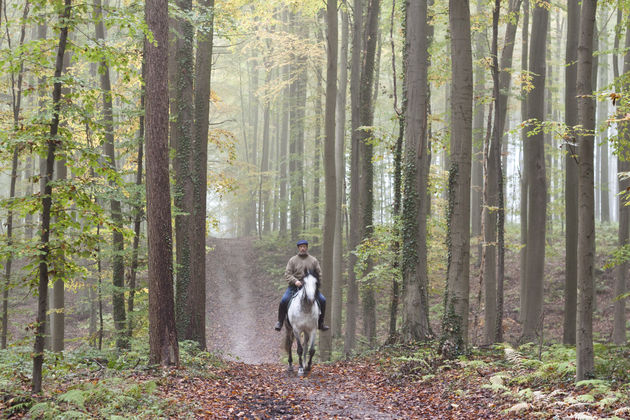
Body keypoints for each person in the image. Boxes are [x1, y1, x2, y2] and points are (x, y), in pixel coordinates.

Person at [274, 239, 329, 332]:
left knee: (323, 300)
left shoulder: (313, 260)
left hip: (310, 287)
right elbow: (287, 274)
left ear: (307, 247)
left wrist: (314, 283)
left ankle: (321, 323)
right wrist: (295, 281)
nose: (303, 248)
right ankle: (280, 322)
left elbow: (319, 274)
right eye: (301, 247)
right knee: (284, 300)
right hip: (295, 286)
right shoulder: (292, 260)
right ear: (298, 248)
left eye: (304, 247)